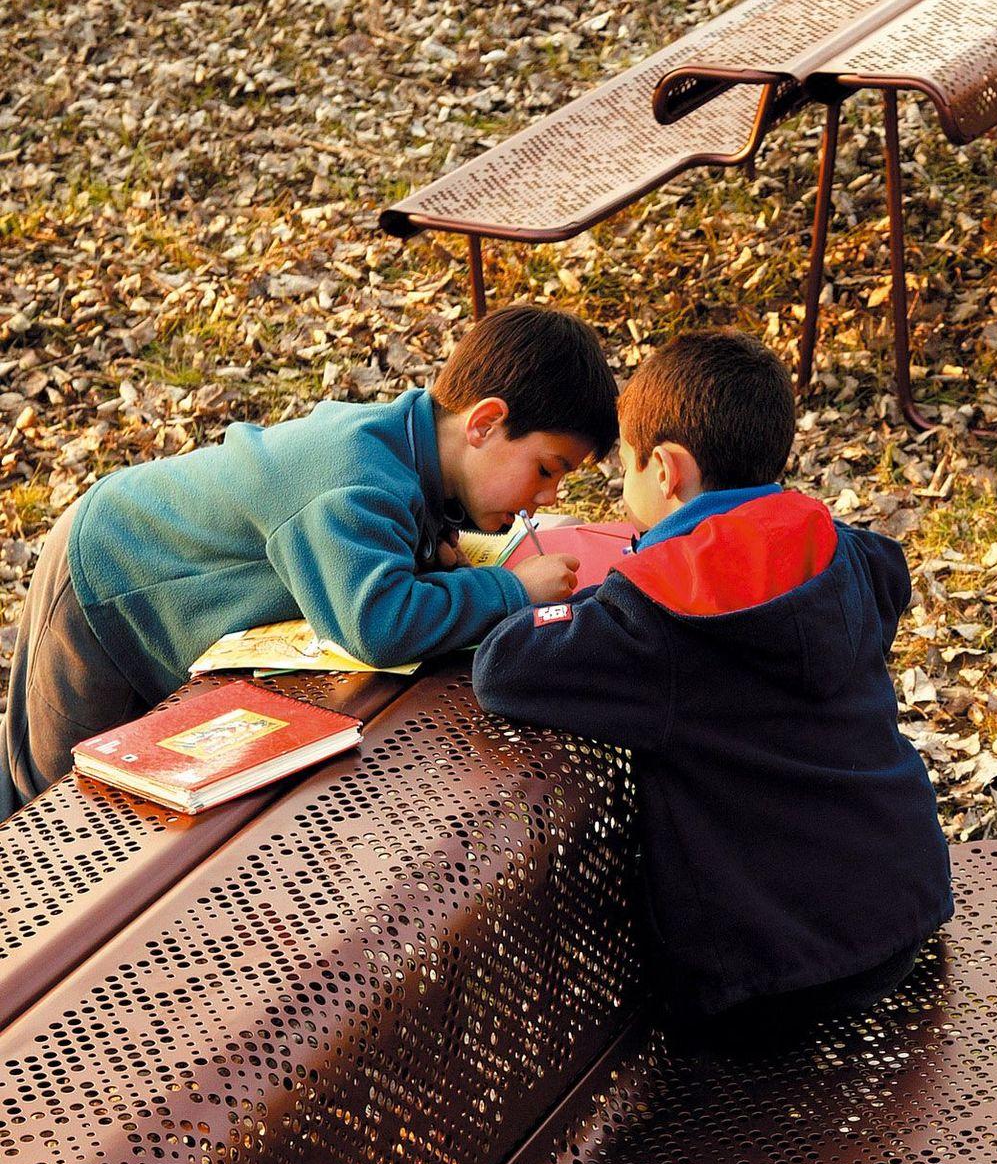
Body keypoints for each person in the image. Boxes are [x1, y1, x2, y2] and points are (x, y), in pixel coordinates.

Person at [472, 327, 952, 1042]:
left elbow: (506, 665)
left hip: (772, 975)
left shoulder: (658, 623)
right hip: (900, 916)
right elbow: (890, 568)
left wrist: (541, 593)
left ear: (666, 470)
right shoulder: (843, 550)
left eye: (626, 472)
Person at [1, 302, 614, 814]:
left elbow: (399, 534)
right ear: (484, 423)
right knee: (57, 799)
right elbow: (378, 623)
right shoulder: (353, 477)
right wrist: (513, 592)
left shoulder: (412, 445)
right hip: (107, 583)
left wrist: (435, 543)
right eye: (546, 469)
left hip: (162, 587)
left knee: (122, 795)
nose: (550, 496)